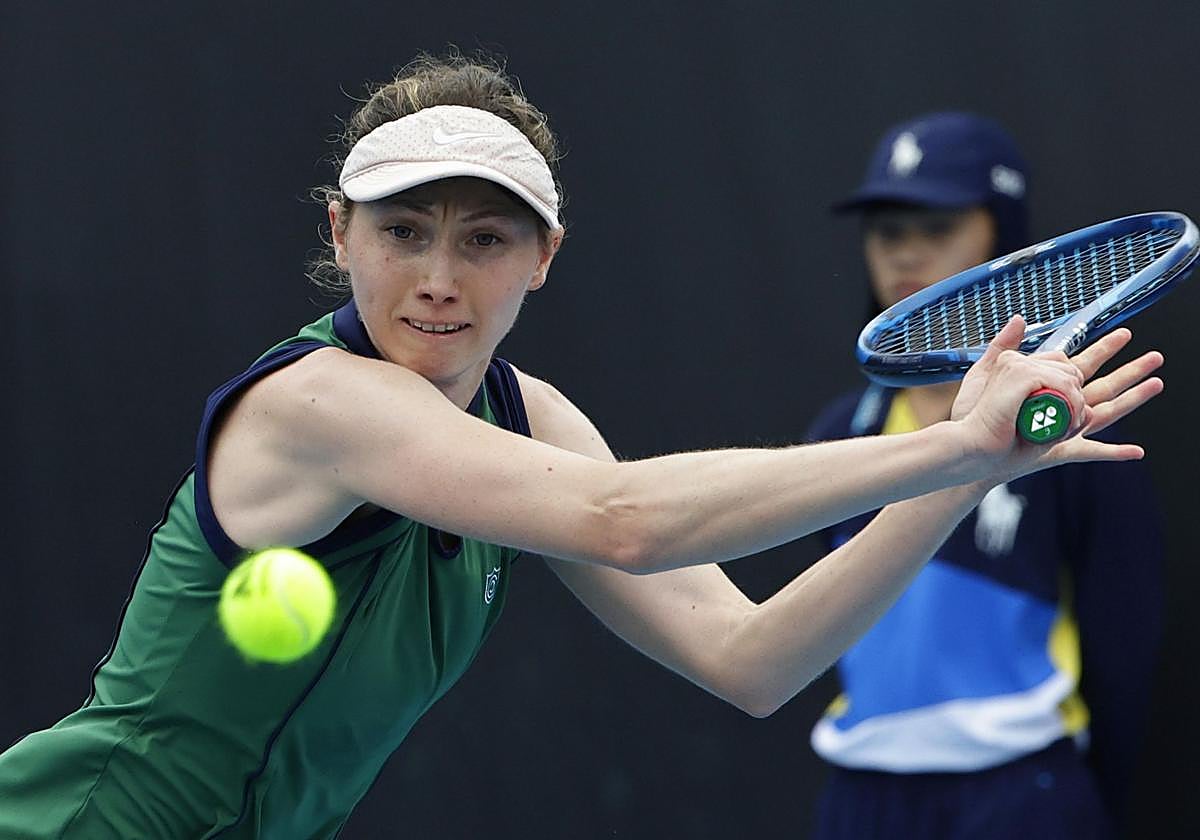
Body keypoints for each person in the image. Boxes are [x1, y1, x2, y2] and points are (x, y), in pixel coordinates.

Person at [0, 58, 1163, 839]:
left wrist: (969, 467)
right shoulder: (320, 403)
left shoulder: (530, 418)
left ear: (545, 254)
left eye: (487, 238)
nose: (441, 279)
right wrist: (949, 443)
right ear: (338, 233)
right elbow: (628, 521)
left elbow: (749, 659)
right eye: (403, 231)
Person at [806, 112, 1164, 840]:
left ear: (1006, 241)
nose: (904, 250)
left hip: (1024, 795)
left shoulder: (1074, 432)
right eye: (885, 229)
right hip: (860, 799)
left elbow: (1124, 641)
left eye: (935, 226)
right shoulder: (836, 433)